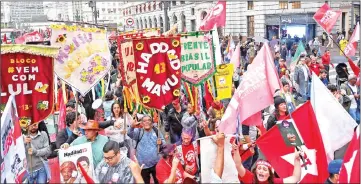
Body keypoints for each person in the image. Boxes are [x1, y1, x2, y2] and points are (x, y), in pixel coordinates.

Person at [232, 143, 302, 183]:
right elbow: (238, 165)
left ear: (269, 174)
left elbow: (295, 178)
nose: (261, 171)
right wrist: (236, 150)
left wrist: (297, 160)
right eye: (259, 168)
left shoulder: (274, 182)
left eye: (265, 169)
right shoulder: (250, 178)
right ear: (255, 171)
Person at [128, 114, 165, 184]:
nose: (147, 122)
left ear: (152, 122)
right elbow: (129, 133)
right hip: (143, 165)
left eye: (149, 120)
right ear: (141, 123)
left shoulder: (156, 131)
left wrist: (161, 143)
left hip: (156, 163)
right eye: (144, 121)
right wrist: (132, 126)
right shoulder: (138, 132)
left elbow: (164, 144)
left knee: (158, 181)